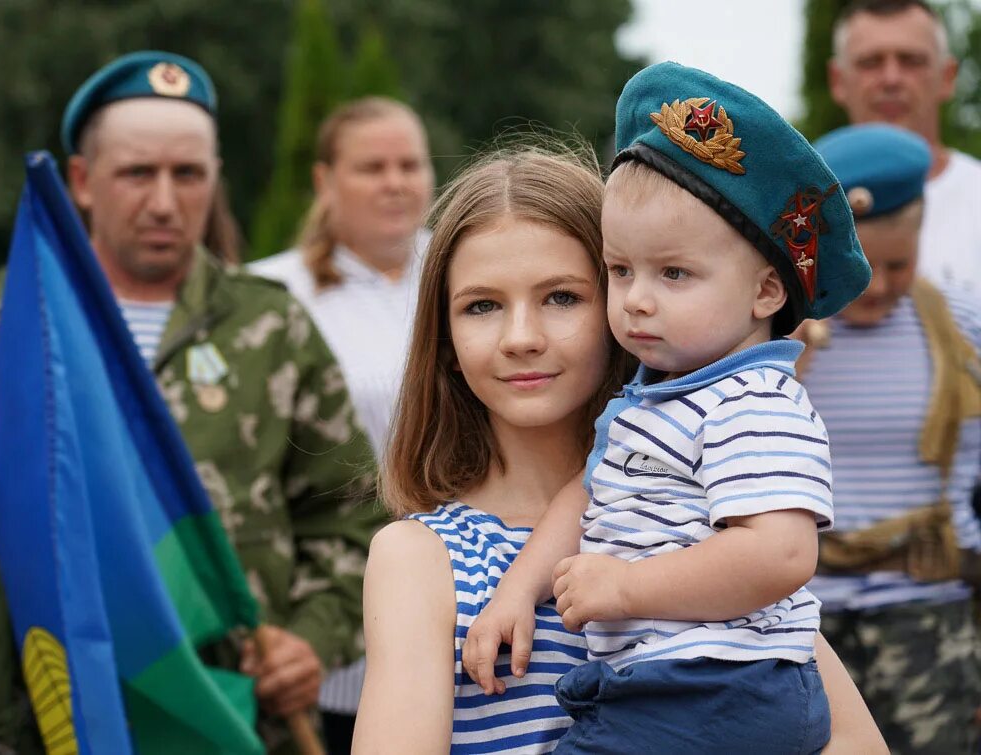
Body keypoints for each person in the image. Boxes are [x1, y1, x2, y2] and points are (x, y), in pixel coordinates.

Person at [352, 144, 886, 754]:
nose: (522, 337)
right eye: (482, 306)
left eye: (562, 297)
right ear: (444, 340)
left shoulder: (719, 521)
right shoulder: (423, 557)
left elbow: (854, 742)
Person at [0, 51, 383, 754]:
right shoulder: (4, 327)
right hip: (56, 724)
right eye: (136, 173)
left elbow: (356, 512)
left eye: (187, 175)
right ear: (81, 182)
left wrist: (311, 641)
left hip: (233, 719)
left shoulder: (269, 325)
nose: (163, 201)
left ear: (214, 179)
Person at [463, 63, 873, 754]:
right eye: (620, 270)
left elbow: (780, 551)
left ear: (768, 291)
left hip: (721, 686)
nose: (637, 299)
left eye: (673, 273)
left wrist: (626, 588)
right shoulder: (660, 396)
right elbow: (587, 493)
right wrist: (517, 591)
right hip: (670, 687)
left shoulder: (754, 400)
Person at [250, 96, 433, 752]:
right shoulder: (272, 297)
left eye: (410, 163)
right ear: (325, 180)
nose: (395, 181)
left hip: (468, 594)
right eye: (372, 166)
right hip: (331, 610)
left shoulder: (466, 273)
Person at [797, 123, 981, 754]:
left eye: (898, 265)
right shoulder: (775, 336)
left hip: (928, 616)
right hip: (802, 623)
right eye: (860, 267)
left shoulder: (960, 328)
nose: (876, 288)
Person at [828, 0, 981, 294]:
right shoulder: (795, 207)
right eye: (870, 62)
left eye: (912, 61)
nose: (891, 79)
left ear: (948, 77)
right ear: (838, 80)